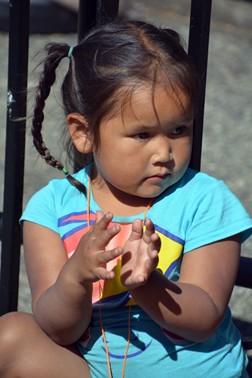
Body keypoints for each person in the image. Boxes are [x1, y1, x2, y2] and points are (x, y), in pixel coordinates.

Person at [0, 19, 251, 378]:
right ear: (84, 133)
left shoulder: (206, 200)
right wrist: (76, 277)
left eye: (179, 130)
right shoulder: (51, 207)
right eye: (142, 134)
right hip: (99, 370)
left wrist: (147, 283)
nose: (164, 152)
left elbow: (204, 318)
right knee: (11, 335)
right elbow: (59, 329)